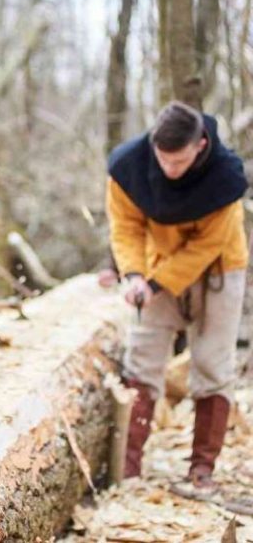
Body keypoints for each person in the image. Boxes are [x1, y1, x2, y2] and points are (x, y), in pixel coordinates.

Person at [106, 101, 248, 492]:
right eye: (163, 159)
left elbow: (207, 245)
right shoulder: (127, 167)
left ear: (200, 145)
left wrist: (154, 284)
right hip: (157, 263)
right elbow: (126, 227)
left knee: (212, 364)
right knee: (143, 357)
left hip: (219, 269)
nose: (169, 169)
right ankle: (128, 472)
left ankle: (202, 470)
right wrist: (134, 275)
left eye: (179, 161)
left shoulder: (226, 176)